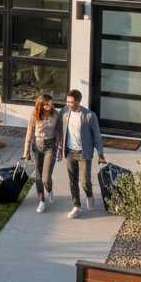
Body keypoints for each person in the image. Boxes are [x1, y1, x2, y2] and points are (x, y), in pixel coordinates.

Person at [60, 88, 104, 218]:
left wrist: (100, 154)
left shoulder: (89, 115)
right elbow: (57, 126)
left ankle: (89, 195)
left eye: (72, 102)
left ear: (79, 101)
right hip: (70, 152)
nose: (69, 104)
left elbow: (97, 136)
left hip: (84, 153)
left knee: (85, 181)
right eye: (67, 101)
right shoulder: (64, 112)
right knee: (72, 181)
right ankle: (76, 206)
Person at [22, 93, 62, 213]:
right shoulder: (34, 115)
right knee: (38, 177)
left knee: (46, 178)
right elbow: (29, 133)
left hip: (51, 147)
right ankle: (42, 201)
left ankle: (49, 190)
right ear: (41, 105)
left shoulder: (56, 114)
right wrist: (26, 151)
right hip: (37, 147)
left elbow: (59, 132)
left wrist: (60, 148)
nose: (50, 105)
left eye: (51, 103)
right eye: (47, 104)